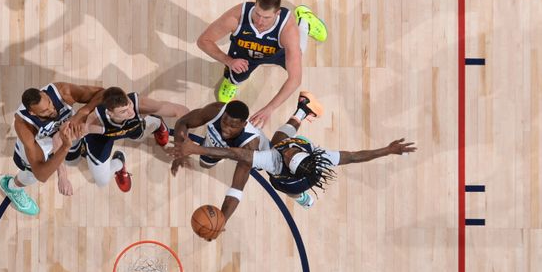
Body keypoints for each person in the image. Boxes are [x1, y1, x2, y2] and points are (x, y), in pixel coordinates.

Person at [166, 91, 416, 213]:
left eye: (286, 157)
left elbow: (239, 161)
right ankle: (302, 110)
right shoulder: (290, 150)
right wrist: (388, 148)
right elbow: (352, 155)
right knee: (279, 139)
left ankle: (302, 198)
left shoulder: (274, 162)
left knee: (285, 187)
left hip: (296, 180)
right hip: (294, 153)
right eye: (288, 152)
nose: (285, 153)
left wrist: (222, 218)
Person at [196, 0, 327, 127]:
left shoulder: (287, 29)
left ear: (277, 13)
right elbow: (203, 41)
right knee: (235, 73)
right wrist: (229, 61)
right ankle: (231, 82)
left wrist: (269, 108)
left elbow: (295, 79)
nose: (259, 21)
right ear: (254, 6)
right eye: (257, 14)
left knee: (299, 52)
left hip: (277, 52)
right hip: (244, 54)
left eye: (266, 18)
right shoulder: (237, 16)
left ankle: (304, 21)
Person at [0, 82, 102, 215]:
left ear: (45, 95)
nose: (53, 111)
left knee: (80, 135)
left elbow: (103, 93)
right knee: (31, 175)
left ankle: (77, 149)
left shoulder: (61, 92)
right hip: (40, 146)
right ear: (32, 113)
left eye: (50, 104)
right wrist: (62, 174)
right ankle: (12, 187)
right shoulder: (24, 125)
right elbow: (41, 174)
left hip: (62, 132)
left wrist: (82, 113)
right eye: (45, 111)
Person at [170, 100, 270, 238]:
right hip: (215, 144)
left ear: (244, 124)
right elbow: (183, 122)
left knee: (272, 171)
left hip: (253, 154)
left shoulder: (250, 146)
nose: (226, 129)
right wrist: (179, 150)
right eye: (224, 122)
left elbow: (236, 188)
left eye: (233, 126)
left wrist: (220, 224)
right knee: (204, 163)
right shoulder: (215, 110)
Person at [81, 87, 189, 192]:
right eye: (124, 111)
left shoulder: (139, 105)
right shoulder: (94, 123)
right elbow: (68, 136)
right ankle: (119, 162)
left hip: (132, 128)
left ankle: (157, 123)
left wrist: (184, 141)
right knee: (102, 181)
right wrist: (63, 174)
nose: (131, 112)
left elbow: (181, 110)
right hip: (103, 138)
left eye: (129, 104)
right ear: (110, 113)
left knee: (140, 136)